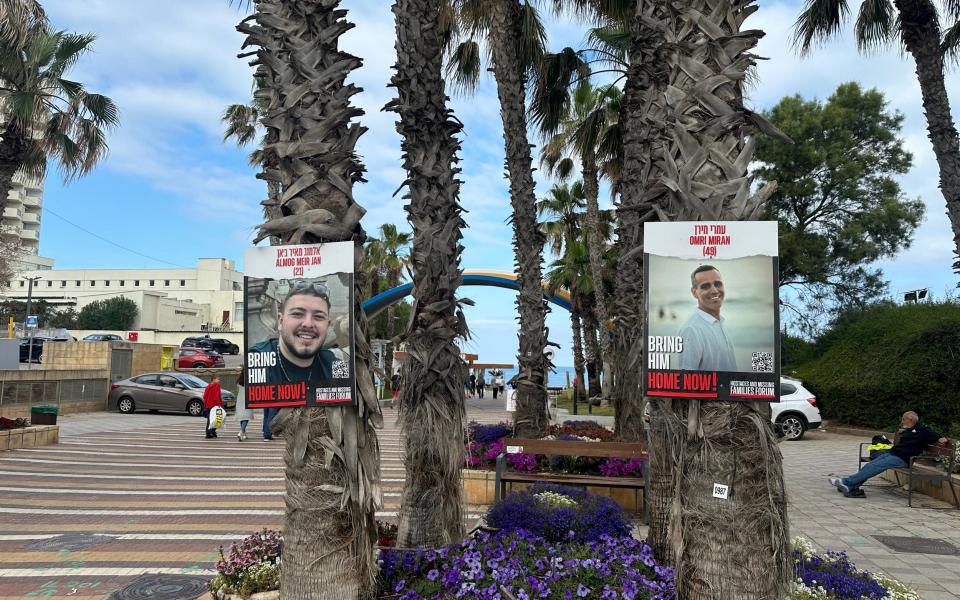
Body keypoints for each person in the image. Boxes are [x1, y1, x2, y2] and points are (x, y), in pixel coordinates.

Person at [250, 280, 336, 440]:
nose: (308, 324)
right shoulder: (259, 357)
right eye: (297, 314)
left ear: (328, 325)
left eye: (318, 317)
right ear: (280, 321)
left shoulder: (333, 361)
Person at [829, 411, 949, 497]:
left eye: (904, 419)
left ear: (911, 420)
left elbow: (939, 437)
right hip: (894, 454)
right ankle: (851, 485)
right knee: (871, 465)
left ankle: (846, 482)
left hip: (903, 459)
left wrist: (941, 439)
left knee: (874, 467)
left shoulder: (923, 431)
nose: (902, 421)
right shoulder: (908, 430)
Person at [678, 265, 737, 372]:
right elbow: (687, 380)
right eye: (705, 286)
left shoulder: (719, 323)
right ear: (694, 292)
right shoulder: (692, 330)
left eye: (718, 284)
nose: (714, 290)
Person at [235, 371, 252, 442]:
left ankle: (244, 434)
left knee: (242, 417)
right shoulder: (248, 381)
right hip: (247, 400)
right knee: (246, 417)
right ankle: (241, 432)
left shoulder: (238, 381)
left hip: (239, 400)